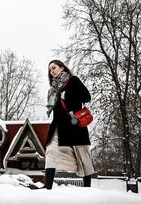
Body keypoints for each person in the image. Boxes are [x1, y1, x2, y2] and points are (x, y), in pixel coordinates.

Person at [42, 59, 94, 189]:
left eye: (53, 68)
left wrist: (67, 94)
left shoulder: (73, 81)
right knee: (51, 151)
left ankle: (87, 188)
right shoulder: (53, 89)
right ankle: (47, 186)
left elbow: (87, 97)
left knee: (83, 155)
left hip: (74, 124)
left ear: (62, 68)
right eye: (50, 70)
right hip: (58, 126)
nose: (51, 71)